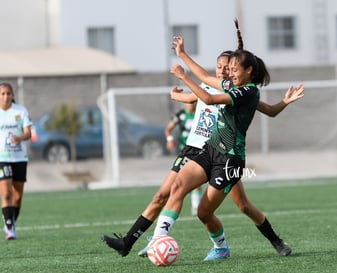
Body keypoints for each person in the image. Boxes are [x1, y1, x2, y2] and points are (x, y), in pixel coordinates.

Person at [102, 20, 303, 260]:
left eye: (232, 68)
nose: (227, 72)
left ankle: (262, 243)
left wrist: (183, 77)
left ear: (248, 70)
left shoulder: (247, 92)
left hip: (229, 161)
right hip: (208, 150)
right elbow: (206, 78)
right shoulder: (232, 85)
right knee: (177, 187)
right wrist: (183, 55)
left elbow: (208, 99)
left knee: (208, 211)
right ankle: (158, 239)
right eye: (225, 67)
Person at [0, 82, 32, 240]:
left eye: (8, 93)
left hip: (19, 157)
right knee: (6, 194)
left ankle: (9, 222)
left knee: (17, 196)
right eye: (3, 93)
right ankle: (10, 230)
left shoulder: (20, 111)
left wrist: (18, 138)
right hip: (2, 159)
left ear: (13, 95)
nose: (6, 96)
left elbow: (28, 133)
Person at [165, 101, 202, 215]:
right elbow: (168, 129)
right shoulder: (180, 115)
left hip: (199, 150)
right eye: (189, 102)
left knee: (197, 180)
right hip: (185, 151)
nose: (191, 105)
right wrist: (170, 139)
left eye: (193, 102)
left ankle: (196, 207)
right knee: (179, 180)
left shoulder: (200, 114)